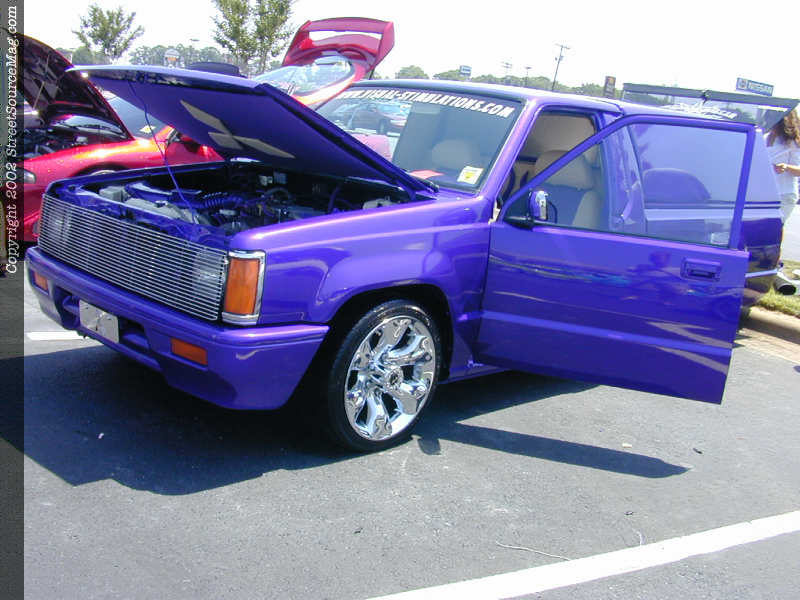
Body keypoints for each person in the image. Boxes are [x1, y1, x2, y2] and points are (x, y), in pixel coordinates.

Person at [765, 108, 800, 223]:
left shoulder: (793, 142)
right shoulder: (764, 137)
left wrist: (786, 167)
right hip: (764, 193)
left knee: (774, 226)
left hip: (784, 194)